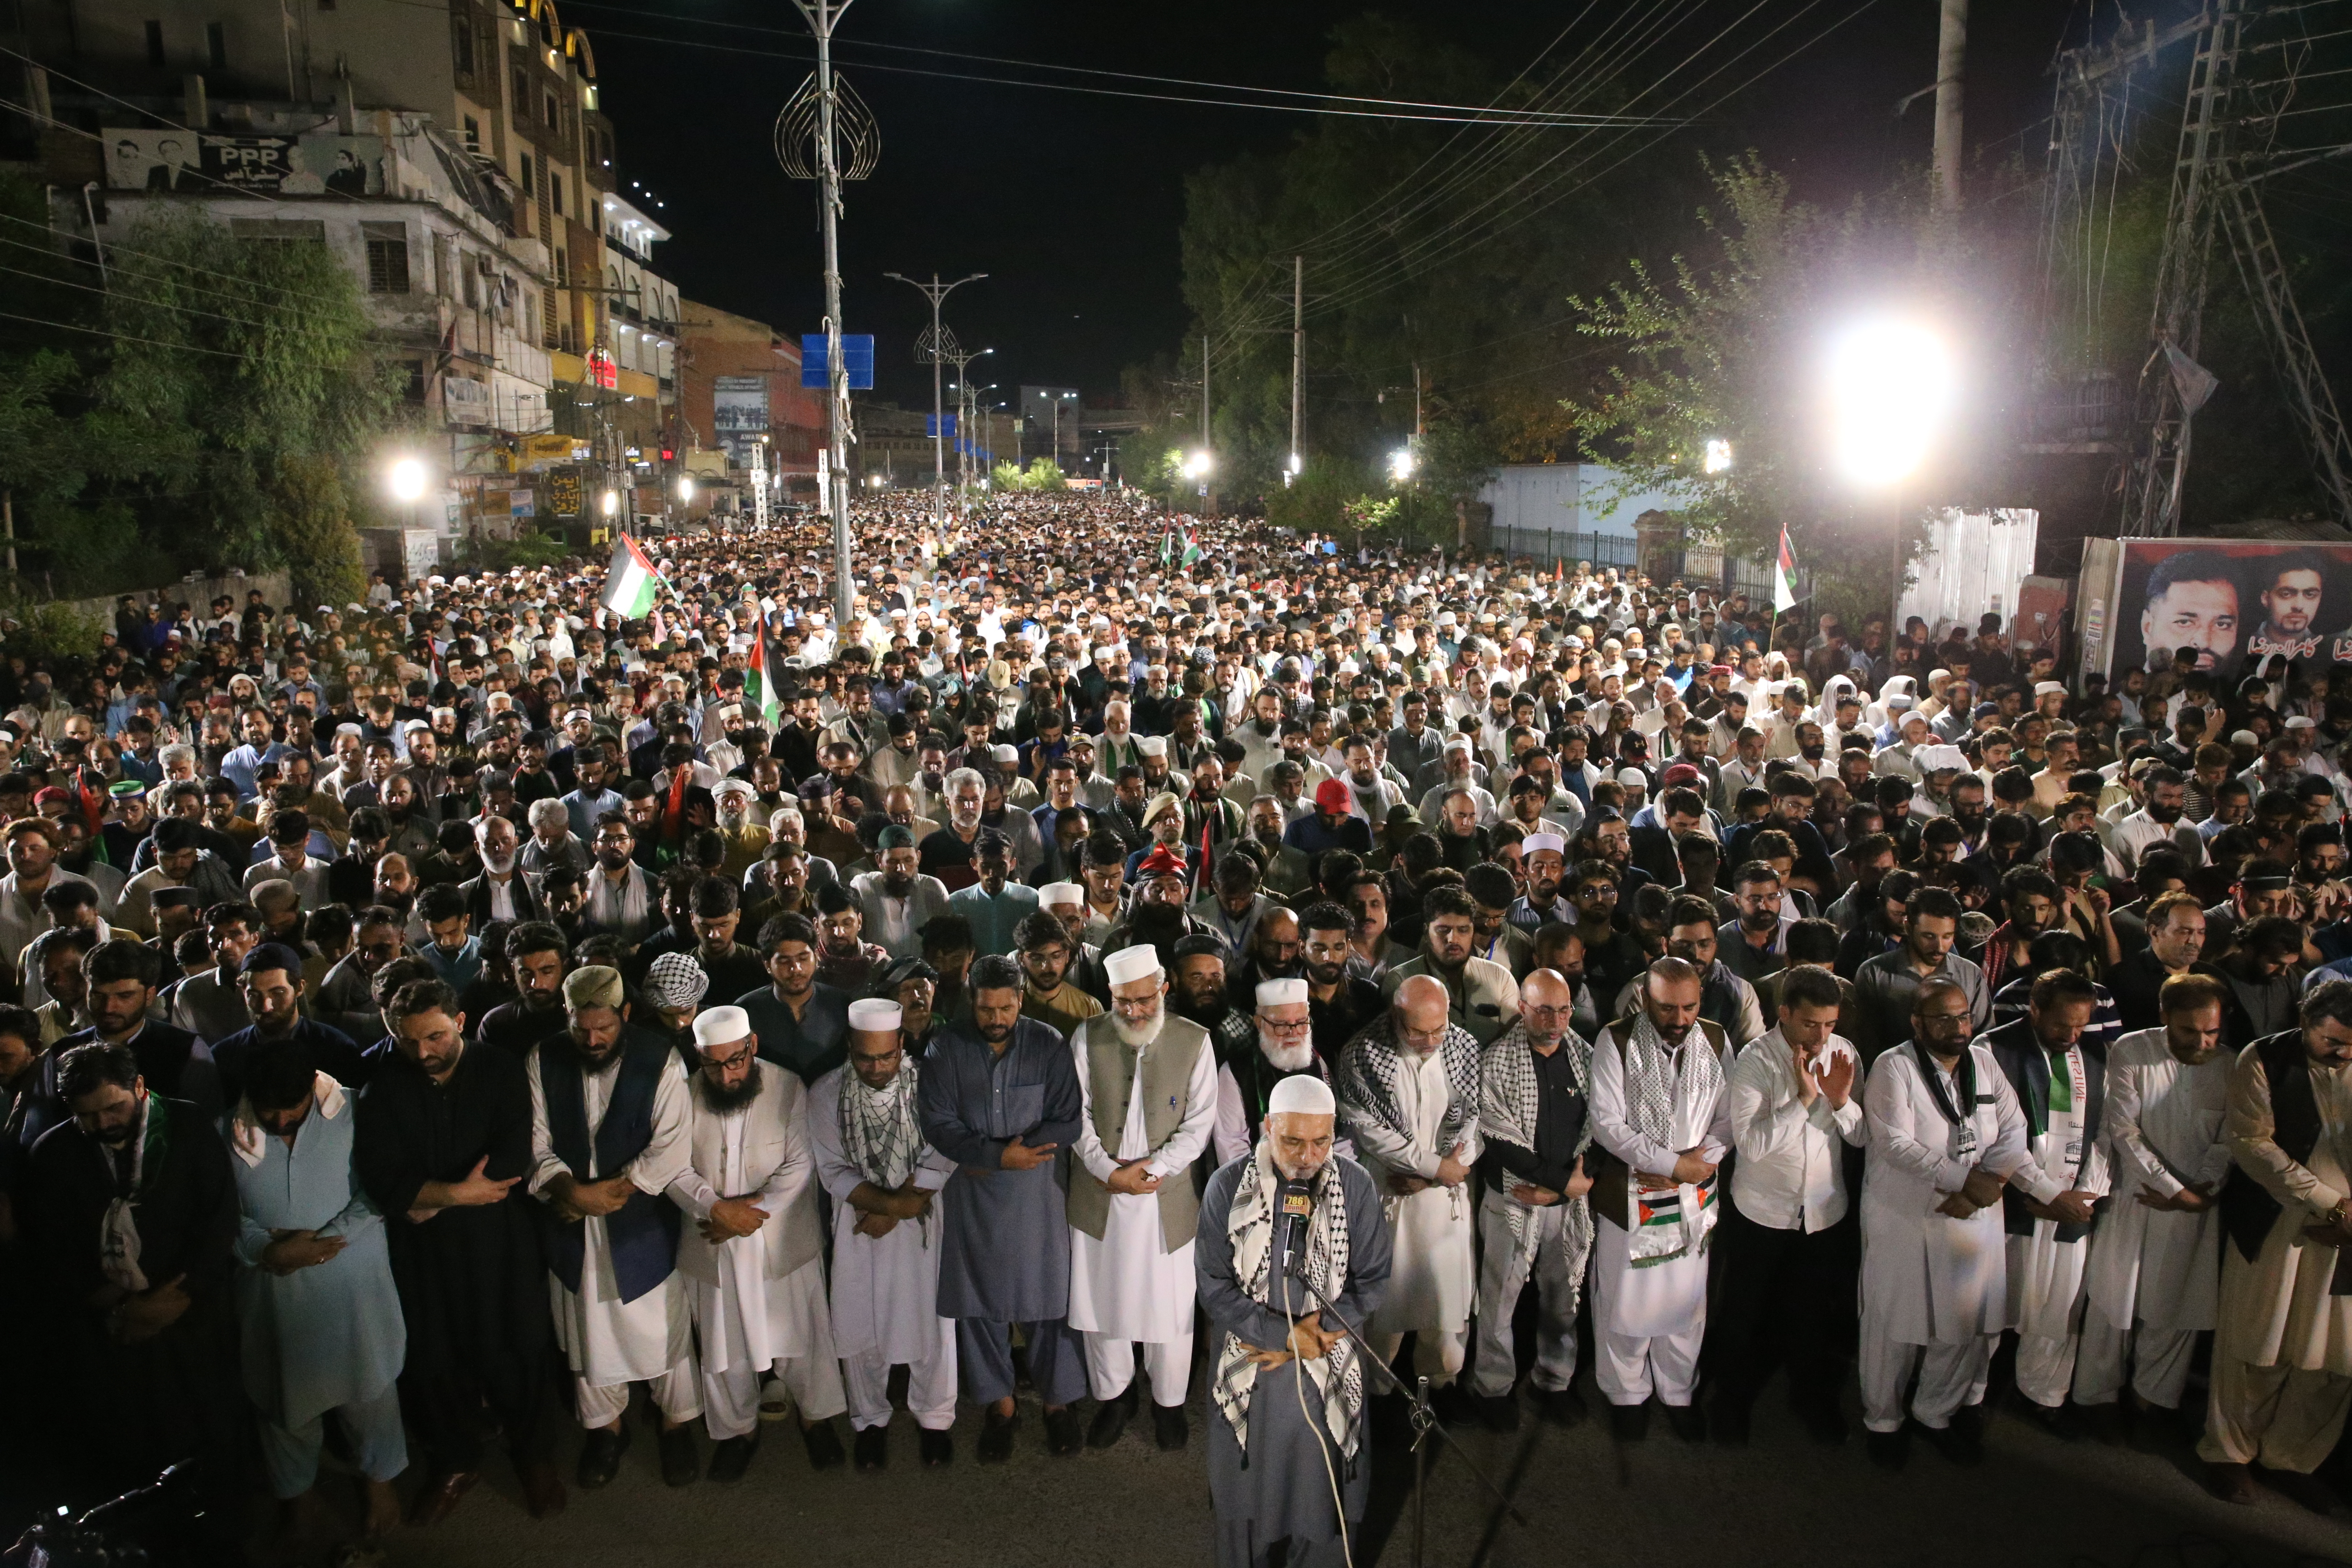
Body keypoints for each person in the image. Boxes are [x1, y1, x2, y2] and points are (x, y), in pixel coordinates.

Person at [353, 977, 563, 1524]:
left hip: (499, 1242)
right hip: (423, 1253)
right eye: (409, 1041)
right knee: (433, 1359)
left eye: (436, 1037)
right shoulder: (384, 1087)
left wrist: (431, 1198)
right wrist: (455, 1194)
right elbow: (383, 1177)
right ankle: (456, 1460)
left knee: (516, 1349)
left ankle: (534, 1457)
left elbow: (512, 1157)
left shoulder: (499, 1069)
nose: (423, 1052)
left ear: (460, 1023)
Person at [21, 1041, 242, 1525]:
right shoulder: (54, 1153)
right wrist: (123, 1307)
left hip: (191, 1319)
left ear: (140, 1088)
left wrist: (173, 1300)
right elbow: (53, 1250)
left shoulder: (186, 1127)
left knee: (205, 1433)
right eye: (88, 1116)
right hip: (112, 1333)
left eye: (114, 1107)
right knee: (129, 1443)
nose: (103, 1124)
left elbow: (219, 1219)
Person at [1857, 976, 2058, 1468]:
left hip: (1973, 1214)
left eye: (1963, 1016)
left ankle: (1935, 1413)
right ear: (1917, 1023)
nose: (1956, 1027)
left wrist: (1986, 1182)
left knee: (1963, 1325)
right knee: (1895, 1325)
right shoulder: (1894, 1067)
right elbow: (1895, 1144)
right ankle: (1883, 1420)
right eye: (1943, 1018)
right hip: (1907, 1215)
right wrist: (1966, 1179)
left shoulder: (1984, 1063)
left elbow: (2014, 1129)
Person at [1197, 1073, 1392, 1568]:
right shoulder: (1226, 1186)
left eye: (1321, 1141)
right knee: (1245, 1502)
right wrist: (1281, 1336)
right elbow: (1215, 1287)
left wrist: (1315, 1337)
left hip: (1326, 1363)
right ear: (1267, 1127)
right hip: (1252, 1366)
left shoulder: (1356, 1186)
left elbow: (1370, 1280)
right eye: (1293, 1141)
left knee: (1321, 1498)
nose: (1308, 1156)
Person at [526, 965, 703, 1488]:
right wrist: (571, 1192)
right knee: (586, 1335)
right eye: (581, 1028)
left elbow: (670, 1147)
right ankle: (606, 1430)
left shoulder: (661, 1058)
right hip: (570, 1226)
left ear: (626, 1014)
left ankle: (675, 1426)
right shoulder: (543, 1058)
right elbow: (536, 1144)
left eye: (603, 1027)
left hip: (641, 1225)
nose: (593, 1038)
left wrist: (603, 1196)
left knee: (663, 1334)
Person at [228, 1036, 406, 1552]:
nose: (280, 1120)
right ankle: (299, 1505)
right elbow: (220, 1213)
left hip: (352, 1284)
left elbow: (381, 1187)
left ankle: (381, 1490)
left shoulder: (356, 1110)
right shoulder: (227, 1130)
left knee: (370, 1394)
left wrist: (327, 1242)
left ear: (313, 1087)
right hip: (273, 1291)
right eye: (269, 1112)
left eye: (292, 1109)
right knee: (285, 1405)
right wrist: (265, 1250)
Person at [915, 952, 1089, 1459]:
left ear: (1021, 1002)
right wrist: (996, 1155)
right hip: (972, 1194)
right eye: (986, 1009)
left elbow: (1069, 1121)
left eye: (1005, 1009)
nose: (995, 1020)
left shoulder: (1048, 1044)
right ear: (972, 1001)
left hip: (1037, 1195)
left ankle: (1059, 1405)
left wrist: (1020, 1156)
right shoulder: (946, 1048)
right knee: (979, 1303)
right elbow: (938, 1123)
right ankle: (1001, 1406)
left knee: (1048, 1301)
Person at [670, 1004, 848, 1479]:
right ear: (700, 1056)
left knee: (803, 1337)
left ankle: (816, 1419)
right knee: (722, 1347)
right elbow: (672, 1168)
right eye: (714, 1064)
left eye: (736, 1061)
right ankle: (737, 1431)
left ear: (751, 1047)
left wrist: (748, 1212)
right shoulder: (683, 1094)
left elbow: (800, 1163)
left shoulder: (788, 1086)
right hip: (711, 1242)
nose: (727, 1075)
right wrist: (715, 1208)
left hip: (780, 1238)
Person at [2200, 977, 2352, 1505]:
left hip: (2350, 1233)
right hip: (2279, 1218)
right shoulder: (2263, 1057)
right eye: (2333, 1042)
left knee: (2333, 1359)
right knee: (2257, 1345)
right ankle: (2230, 1452)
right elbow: (2251, 1144)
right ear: (2307, 1023)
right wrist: (2332, 1202)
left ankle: (2292, 1457)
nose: (2344, 1053)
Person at [1067, 943, 1219, 1450]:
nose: (1132, 1011)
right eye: (1122, 1002)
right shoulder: (1087, 1037)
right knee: (1101, 1304)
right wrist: (1109, 1173)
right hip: (1101, 1193)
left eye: (1143, 1000)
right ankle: (1114, 1397)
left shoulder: (1196, 1041)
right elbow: (1076, 1117)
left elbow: (1199, 1128)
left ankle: (1168, 1404)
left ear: (1163, 988)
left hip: (1166, 1198)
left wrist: (1152, 1170)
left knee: (1171, 1310)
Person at [1707, 963, 1864, 1445]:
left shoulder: (1843, 1053)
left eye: (1831, 1025)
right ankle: (1729, 1405)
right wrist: (1802, 1101)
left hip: (1822, 1211)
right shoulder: (1755, 1060)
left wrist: (1840, 1102)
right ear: (1785, 1014)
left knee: (1812, 1316)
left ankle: (1810, 1399)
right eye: (1812, 1024)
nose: (1822, 1036)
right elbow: (1749, 1146)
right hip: (1763, 1213)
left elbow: (1860, 1137)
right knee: (1743, 1315)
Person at [806, 998, 959, 1468]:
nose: (875, 1068)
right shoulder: (827, 1093)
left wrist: (900, 1207)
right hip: (858, 1225)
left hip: (920, 1222)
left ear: (901, 1045)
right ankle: (869, 1420)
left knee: (932, 1323)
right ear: (850, 1048)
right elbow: (832, 1169)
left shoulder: (931, 1086)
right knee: (861, 1324)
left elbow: (942, 1151)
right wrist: (893, 1205)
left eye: (886, 1057)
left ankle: (935, 1419)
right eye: (864, 1058)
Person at [1585, 956, 1732, 1439]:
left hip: (1694, 1195)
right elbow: (1607, 1124)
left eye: (1689, 1007)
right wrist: (1669, 1164)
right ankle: (1627, 1394)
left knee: (1686, 1303)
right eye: (1668, 1008)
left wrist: (1698, 1161)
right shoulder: (1617, 1038)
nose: (1680, 1020)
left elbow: (1731, 1115)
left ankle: (1678, 1391)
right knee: (1624, 1301)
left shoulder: (1714, 1039)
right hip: (1632, 1194)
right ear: (1646, 999)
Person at [2077, 972, 2231, 1431]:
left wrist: (2202, 1191)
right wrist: (2173, 1189)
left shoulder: (2230, 1064)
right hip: (2137, 1197)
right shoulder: (2132, 1051)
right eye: (2190, 1031)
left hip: (2198, 1205)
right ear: (2165, 1017)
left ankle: (2152, 1401)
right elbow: (2123, 1131)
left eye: (2212, 1032)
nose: (2202, 1043)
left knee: (2177, 1305)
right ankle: (2097, 1397)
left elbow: (2230, 1138)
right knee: (2114, 1301)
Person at [1337, 973, 1481, 1403]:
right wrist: (1435, 1167)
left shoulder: (1465, 1048)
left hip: (1446, 1201)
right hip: (1391, 1195)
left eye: (1439, 1029)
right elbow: (1369, 1131)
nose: (1432, 1041)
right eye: (1419, 1032)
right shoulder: (1362, 1054)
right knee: (1384, 1310)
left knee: (1445, 1308)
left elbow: (1475, 1123)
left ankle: (1440, 1387)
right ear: (1397, 1017)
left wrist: (1446, 1169)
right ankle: (1374, 1394)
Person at [1468, 968, 1594, 1430]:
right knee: (1500, 1301)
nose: (1555, 1020)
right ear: (1522, 1008)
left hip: (1566, 1204)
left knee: (1563, 1300)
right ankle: (1493, 1388)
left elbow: (1599, 1127)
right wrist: (1558, 1183)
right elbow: (1498, 1138)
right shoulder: (1497, 1060)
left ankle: (1554, 1381)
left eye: (1563, 1010)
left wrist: (1563, 1188)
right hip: (1513, 1200)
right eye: (1543, 1009)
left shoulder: (1584, 1054)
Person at [1983, 967, 2108, 1433]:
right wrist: (2049, 1194)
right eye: (2061, 1025)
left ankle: (2044, 1394)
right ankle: (1969, 1395)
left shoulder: (2095, 1056)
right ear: (2034, 1009)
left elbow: (2108, 1134)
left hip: (2073, 1205)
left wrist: (2085, 1195)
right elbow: (1994, 1137)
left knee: (2059, 1309)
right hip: (2013, 1203)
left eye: (2080, 1025)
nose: (2071, 1035)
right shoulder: (1992, 1051)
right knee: (1992, 1306)